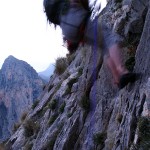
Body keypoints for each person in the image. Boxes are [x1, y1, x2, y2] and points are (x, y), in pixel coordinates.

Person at [43, 0, 137, 89]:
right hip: (76, 19)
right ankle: (122, 71)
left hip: (68, 31)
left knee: (104, 46)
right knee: (109, 37)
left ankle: (117, 78)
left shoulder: (54, 6)